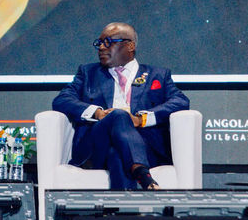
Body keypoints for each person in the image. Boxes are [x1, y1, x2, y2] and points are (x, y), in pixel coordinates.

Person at [52, 22, 190, 190]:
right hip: (96, 146)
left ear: (130, 45)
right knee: (117, 115)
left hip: (145, 148)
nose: (101, 47)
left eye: (108, 42)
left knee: (117, 154)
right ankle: (143, 175)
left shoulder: (158, 75)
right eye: (99, 43)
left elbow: (181, 101)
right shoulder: (88, 73)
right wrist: (97, 113)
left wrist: (141, 119)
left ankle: (120, 213)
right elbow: (62, 100)